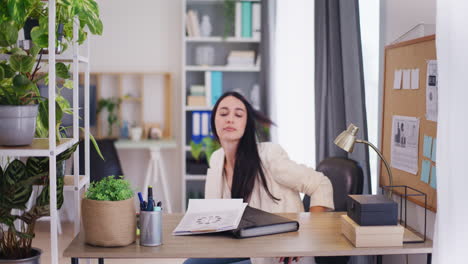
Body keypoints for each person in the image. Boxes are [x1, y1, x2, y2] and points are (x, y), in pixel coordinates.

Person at [183, 92, 334, 264]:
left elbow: (321, 184)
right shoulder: (217, 159)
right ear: (214, 122)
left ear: (246, 124)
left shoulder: (269, 155)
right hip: (241, 244)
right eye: (223, 114)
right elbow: (214, 213)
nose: (230, 119)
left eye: (238, 114)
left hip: (277, 253)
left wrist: (304, 238)